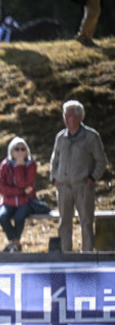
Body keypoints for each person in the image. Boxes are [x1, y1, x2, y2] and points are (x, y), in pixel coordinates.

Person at [50, 100, 108, 252]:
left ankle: (87, 255)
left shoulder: (91, 137)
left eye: (69, 115)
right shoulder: (60, 137)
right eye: (65, 115)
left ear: (79, 117)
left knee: (86, 222)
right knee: (64, 223)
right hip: (64, 187)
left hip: (83, 187)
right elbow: (54, 160)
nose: (66, 118)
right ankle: (65, 255)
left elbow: (101, 161)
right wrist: (54, 178)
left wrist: (93, 178)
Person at [0, 137, 38, 252]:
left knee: (20, 217)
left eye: (23, 149)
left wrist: (19, 166)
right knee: (3, 217)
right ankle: (15, 242)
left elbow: (25, 184)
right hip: (7, 201)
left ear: (27, 151)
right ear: (11, 151)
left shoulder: (31, 165)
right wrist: (20, 192)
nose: (20, 152)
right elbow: (0, 186)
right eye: (16, 149)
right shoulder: (5, 164)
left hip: (26, 202)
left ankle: (13, 245)